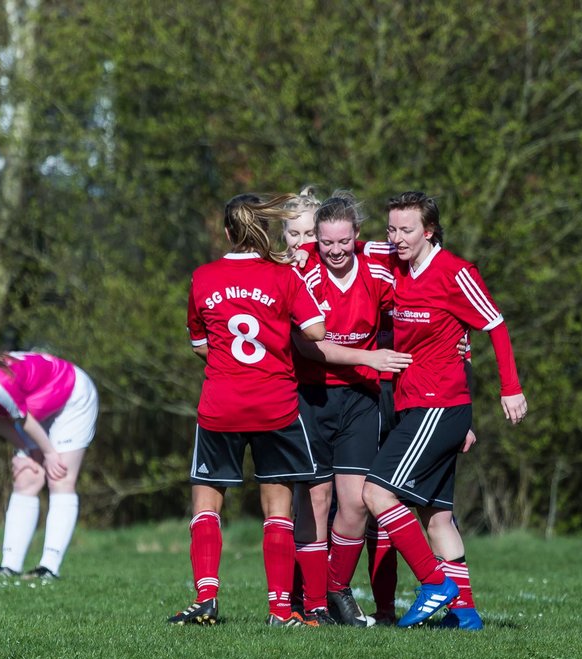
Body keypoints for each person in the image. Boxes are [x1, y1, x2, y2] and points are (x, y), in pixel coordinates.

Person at [362, 191, 528, 630]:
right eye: (392, 229)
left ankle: (434, 583)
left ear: (429, 230)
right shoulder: (396, 261)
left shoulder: (455, 272)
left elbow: (494, 324)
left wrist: (509, 389)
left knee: (376, 494)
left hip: (438, 406)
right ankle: (467, 617)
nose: (397, 237)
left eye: (407, 229)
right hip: (416, 405)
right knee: (437, 518)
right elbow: (345, 243)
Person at [169, 193, 328, 627]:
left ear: (226, 232)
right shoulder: (284, 276)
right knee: (278, 509)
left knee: (206, 503)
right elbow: (316, 330)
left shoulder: (203, 277)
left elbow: (199, 343)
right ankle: (280, 610)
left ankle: (206, 599)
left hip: (221, 403)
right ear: (266, 231)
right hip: (275, 404)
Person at [289, 192, 411, 627]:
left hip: (361, 401)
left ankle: (337, 591)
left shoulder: (377, 264)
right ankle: (308, 599)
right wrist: (366, 358)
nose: (336, 251)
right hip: (311, 395)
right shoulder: (301, 268)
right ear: (316, 241)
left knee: (356, 502)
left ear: (357, 236)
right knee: (315, 500)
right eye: (326, 243)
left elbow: (417, 284)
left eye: (344, 241)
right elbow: (307, 343)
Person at [0, 335, 99, 581]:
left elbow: (22, 418)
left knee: (60, 477)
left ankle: (49, 568)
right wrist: (26, 450)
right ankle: (9, 566)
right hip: (35, 407)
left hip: (70, 395)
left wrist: (49, 454)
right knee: (27, 477)